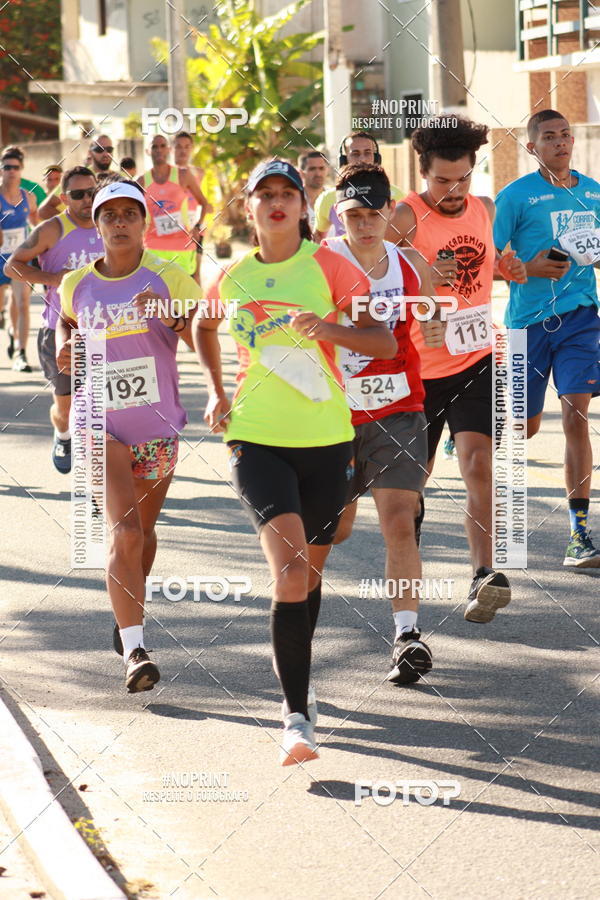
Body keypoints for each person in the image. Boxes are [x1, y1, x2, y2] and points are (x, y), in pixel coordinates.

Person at [194, 158, 395, 765]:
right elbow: (203, 326)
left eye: (288, 193)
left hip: (327, 439)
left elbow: (383, 340)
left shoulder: (330, 266)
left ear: (304, 207)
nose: (277, 202)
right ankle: (296, 718)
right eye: (266, 194)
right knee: (288, 569)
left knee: (307, 575)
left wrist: (329, 329)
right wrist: (216, 390)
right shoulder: (231, 275)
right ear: (248, 207)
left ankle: (295, 675)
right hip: (255, 438)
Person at [56, 180, 202, 693]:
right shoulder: (75, 283)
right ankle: (136, 650)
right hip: (99, 422)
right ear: (96, 224)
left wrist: (166, 314)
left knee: (145, 531)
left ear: (144, 222)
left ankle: (128, 612)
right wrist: (66, 348)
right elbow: (67, 326)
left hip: (156, 425)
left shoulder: (171, 276)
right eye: (109, 215)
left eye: (129, 214)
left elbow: (201, 337)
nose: (119, 222)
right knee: (126, 532)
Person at [388, 116, 527, 622]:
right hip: (418, 372)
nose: (454, 190)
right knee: (412, 485)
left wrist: (507, 268)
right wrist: (423, 276)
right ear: (423, 173)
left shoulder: (485, 209)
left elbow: (490, 264)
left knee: (478, 464)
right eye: (442, 180)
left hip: (475, 360)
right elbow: (376, 278)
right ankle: (411, 563)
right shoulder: (405, 216)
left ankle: (483, 575)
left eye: (463, 178)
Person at [323, 163, 445, 683]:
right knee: (335, 529)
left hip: (400, 408)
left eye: (374, 213)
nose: (365, 224)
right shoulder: (322, 262)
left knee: (399, 517)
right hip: (333, 414)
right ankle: (298, 611)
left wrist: (435, 325)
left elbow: (433, 316)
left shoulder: (410, 264)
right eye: (355, 215)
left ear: (390, 212)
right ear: (339, 215)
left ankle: (407, 636)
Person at [494, 109, 600, 567]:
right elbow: (488, 259)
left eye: (566, 135)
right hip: (527, 324)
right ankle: (479, 423)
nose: (560, 142)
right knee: (525, 427)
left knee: (576, 414)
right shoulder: (514, 197)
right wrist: (528, 267)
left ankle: (579, 534)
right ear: (532, 147)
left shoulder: (593, 193)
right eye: (550, 136)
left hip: (581, 317)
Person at [5, 166, 103, 473]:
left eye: (92, 192)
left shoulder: (109, 224)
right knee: (66, 408)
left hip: (107, 333)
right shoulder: (52, 229)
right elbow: (12, 266)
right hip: (60, 333)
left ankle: (102, 476)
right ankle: (63, 435)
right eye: (78, 194)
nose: (87, 199)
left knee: (105, 408)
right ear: (64, 198)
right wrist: (53, 278)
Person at [313, 133, 403, 241]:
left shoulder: (398, 197)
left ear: (376, 158)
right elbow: (318, 238)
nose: (362, 159)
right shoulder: (327, 199)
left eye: (367, 153)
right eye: (355, 154)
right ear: (344, 160)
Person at [0, 146, 38, 372]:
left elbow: (35, 222)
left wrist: (38, 245)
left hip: (19, 259)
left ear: (21, 169)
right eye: (7, 167)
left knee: (22, 302)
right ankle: (5, 320)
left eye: (15, 167)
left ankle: (21, 352)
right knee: (3, 304)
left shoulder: (28, 197)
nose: (11, 171)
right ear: (1, 170)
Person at [39, 136, 116, 222]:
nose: (105, 154)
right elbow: (43, 210)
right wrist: (75, 225)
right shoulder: (78, 177)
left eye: (109, 149)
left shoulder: (121, 177)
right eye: (99, 149)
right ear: (90, 153)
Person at [171, 131, 213, 285]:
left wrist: (199, 224)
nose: (183, 151)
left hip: (195, 229)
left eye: (187, 147)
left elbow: (206, 202)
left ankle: (200, 300)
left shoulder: (199, 173)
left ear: (192, 149)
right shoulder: (165, 174)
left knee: (195, 274)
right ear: (172, 149)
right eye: (179, 147)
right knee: (173, 274)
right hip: (172, 230)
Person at [298, 150, 329, 231]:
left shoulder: (336, 198)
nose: (318, 174)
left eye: (321, 168)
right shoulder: (294, 201)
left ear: (327, 170)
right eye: (312, 169)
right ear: (301, 173)